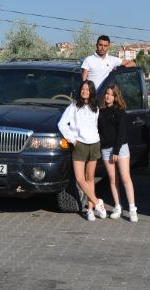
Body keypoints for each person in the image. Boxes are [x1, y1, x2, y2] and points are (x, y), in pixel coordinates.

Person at [57, 80, 107, 221]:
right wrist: (72, 139)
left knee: (90, 178)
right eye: (83, 89)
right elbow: (61, 124)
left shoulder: (95, 107)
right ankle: (98, 203)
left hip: (94, 144)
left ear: (91, 91)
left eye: (88, 89)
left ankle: (90, 209)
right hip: (80, 145)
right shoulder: (74, 106)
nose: (85, 91)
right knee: (80, 179)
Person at [98, 83, 137, 222]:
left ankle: (132, 209)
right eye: (107, 93)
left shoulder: (121, 111)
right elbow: (99, 132)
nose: (108, 96)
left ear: (115, 97)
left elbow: (121, 133)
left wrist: (116, 151)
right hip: (106, 149)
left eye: (111, 94)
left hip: (120, 148)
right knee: (113, 180)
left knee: (125, 178)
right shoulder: (100, 112)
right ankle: (118, 207)